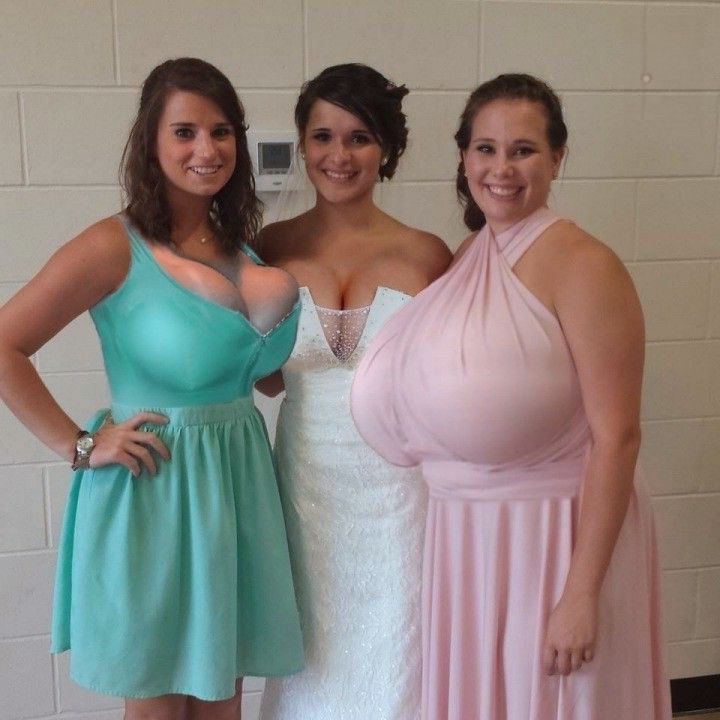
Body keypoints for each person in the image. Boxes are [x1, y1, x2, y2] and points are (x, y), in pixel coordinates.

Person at [351, 73, 672, 719]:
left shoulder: (585, 264)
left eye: (523, 150)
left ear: (557, 158)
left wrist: (581, 594)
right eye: (485, 149)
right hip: (467, 539)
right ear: (464, 156)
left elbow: (618, 437)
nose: (501, 169)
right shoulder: (471, 253)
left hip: (557, 539)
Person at [0, 57, 304, 720]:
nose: (206, 149)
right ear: (151, 141)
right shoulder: (114, 245)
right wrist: (80, 445)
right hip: (154, 489)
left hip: (235, 487)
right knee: (159, 705)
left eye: (221, 131)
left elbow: (262, 374)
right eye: (184, 132)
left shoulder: (240, 248)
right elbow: (5, 344)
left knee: (220, 703)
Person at [256, 63, 451, 720]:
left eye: (359, 138)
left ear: (386, 149)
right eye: (323, 137)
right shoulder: (269, 247)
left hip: (401, 494)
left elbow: (455, 383)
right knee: (313, 653)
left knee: (401, 649)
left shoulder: (428, 255)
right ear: (303, 144)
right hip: (305, 484)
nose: (339, 156)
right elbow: (262, 374)